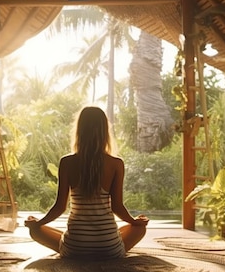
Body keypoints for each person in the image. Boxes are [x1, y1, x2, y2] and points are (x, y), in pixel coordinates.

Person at [25, 106, 149, 260]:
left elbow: (60, 207)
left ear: (79, 131)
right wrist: (135, 221)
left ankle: (72, 243)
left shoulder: (67, 162)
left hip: (75, 248)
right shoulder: (116, 163)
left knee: (36, 231)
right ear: (105, 131)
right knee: (139, 229)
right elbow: (117, 207)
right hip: (109, 248)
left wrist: (38, 224)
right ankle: (106, 245)